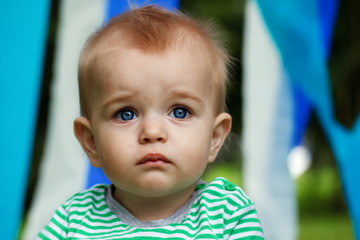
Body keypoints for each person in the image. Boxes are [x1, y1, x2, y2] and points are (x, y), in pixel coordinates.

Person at [37, 5, 264, 239]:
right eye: (126, 114)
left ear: (214, 137)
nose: (153, 132)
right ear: (91, 141)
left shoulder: (227, 215)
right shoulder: (74, 219)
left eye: (179, 112)